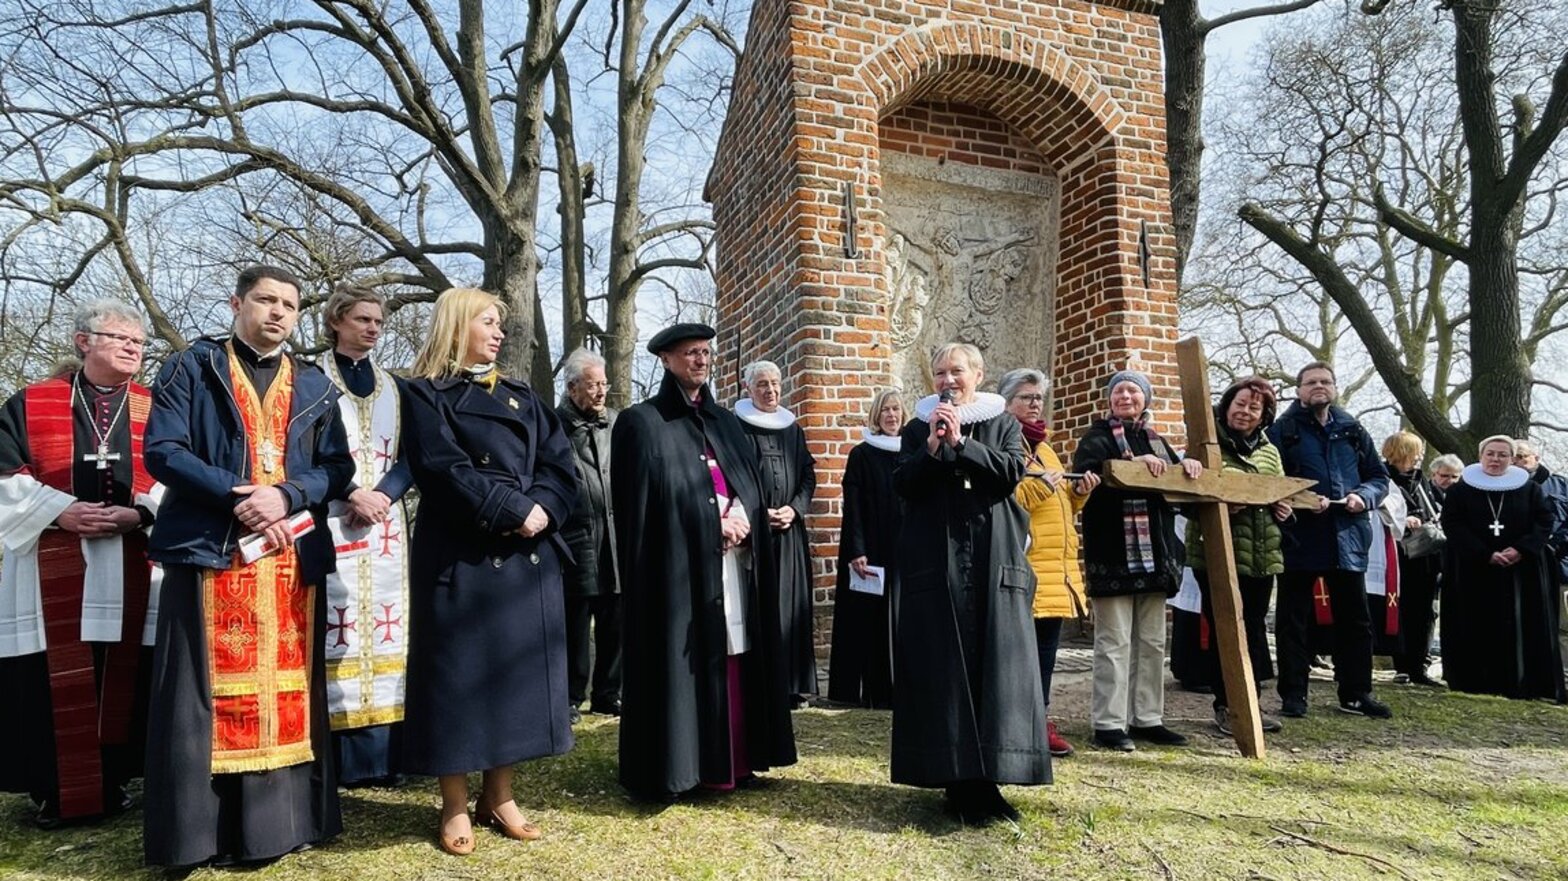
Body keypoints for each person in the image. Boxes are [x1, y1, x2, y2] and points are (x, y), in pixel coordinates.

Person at [142, 265, 354, 866]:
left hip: (289, 559)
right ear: (238, 303)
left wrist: (286, 496)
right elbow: (164, 451)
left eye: (289, 304)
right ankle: (201, 838)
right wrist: (242, 494)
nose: (279, 312)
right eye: (266, 300)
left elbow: (338, 468)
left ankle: (281, 828)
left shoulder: (314, 385)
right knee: (198, 698)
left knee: (291, 690)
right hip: (212, 551)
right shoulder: (192, 366)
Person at [399, 288, 578, 855]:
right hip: (463, 556)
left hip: (528, 555)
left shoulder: (525, 396)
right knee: (456, 682)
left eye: (500, 323)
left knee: (514, 683)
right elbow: (441, 467)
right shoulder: (425, 394)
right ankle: (453, 803)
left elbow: (559, 464)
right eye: (488, 321)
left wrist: (544, 506)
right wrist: (510, 510)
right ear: (457, 325)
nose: (499, 333)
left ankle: (498, 796)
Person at [612, 323, 796, 802]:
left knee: (736, 652)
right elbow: (640, 509)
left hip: (732, 565)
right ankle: (686, 767)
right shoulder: (643, 423)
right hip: (677, 575)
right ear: (667, 360)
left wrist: (741, 512)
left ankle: (736, 760)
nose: (701, 360)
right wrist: (708, 522)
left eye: (705, 353)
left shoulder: (726, 423)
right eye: (690, 353)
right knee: (685, 662)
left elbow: (750, 483)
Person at [0, 301, 160, 827]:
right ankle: (57, 791)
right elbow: (3, 475)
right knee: (53, 676)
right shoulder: (30, 403)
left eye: (138, 341)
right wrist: (61, 510)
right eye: (119, 338)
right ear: (82, 341)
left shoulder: (156, 407)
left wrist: (139, 513)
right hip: (50, 556)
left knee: (125, 668)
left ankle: (115, 781)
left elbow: (178, 474)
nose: (132, 348)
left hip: (133, 554)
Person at [892, 343, 1047, 824]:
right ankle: (954, 780)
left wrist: (963, 445)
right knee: (944, 668)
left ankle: (991, 782)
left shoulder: (1002, 423)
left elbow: (1008, 474)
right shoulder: (918, 427)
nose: (947, 380)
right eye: (939, 372)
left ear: (977, 374)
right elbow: (902, 484)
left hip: (989, 561)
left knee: (993, 667)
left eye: (956, 371)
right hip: (936, 564)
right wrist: (935, 449)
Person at [1073, 369, 1200, 751]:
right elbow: (1089, 479)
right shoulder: (1096, 438)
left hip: (1156, 557)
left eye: (1133, 391)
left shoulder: (1159, 441)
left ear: (1146, 399)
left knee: (1152, 640)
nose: (1125, 396)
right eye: (1118, 391)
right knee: (1112, 641)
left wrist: (1188, 468)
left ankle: (1147, 718)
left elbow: (1181, 490)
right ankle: (1109, 723)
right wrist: (1133, 462)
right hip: (1114, 554)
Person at [318, 286, 415, 786]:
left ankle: (386, 758)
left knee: (387, 626)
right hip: (332, 516)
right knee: (340, 628)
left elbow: (413, 454)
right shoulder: (311, 379)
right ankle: (339, 759)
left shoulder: (397, 387)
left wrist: (384, 495)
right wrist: (354, 492)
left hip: (387, 526)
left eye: (378, 321)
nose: (373, 328)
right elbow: (307, 452)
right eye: (362, 319)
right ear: (336, 321)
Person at [1266, 361, 1391, 720]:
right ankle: (1293, 694)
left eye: (1325, 381)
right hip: (1300, 538)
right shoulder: (1283, 431)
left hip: (1348, 539)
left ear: (1334, 388)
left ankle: (1355, 693)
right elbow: (1273, 480)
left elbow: (1378, 477)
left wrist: (1363, 496)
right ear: (1299, 391)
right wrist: (1305, 499)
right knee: (1294, 620)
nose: (1318, 387)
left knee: (1355, 621)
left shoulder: (1352, 430)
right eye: (1310, 382)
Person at [1002, 368, 1099, 759]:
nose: (1035, 404)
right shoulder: (1002, 445)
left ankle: (1040, 719)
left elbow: (1057, 509)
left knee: (1044, 653)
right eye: (1026, 397)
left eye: (1038, 398)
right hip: (1025, 568)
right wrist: (1043, 485)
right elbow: (1006, 504)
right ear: (1007, 403)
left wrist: (1078, 494)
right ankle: (1015, 722)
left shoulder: (1044, 448)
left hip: (1055, 572)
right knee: (1016, 655)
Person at [1183, 377, 1288, 736]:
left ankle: (1252, 702)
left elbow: (1280, 491)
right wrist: (1223, 508)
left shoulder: (1269, 451)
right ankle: (1227, 706)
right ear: (1227, 406)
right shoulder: (1206, 445)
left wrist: (1284, 508)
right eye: (1240, 404)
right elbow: (1186, 500)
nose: (1245, 412)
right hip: (1216, 552)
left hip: (1261, 554)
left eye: (1254, 408)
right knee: (1226, 628)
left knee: (1255, 629)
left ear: (1264, 415)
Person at [1438, 436, 1566, 702]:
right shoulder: (1460, 490)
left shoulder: (1530, 489)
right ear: (1481, 455)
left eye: (1503, 455)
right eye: (1491, 454)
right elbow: (1452, 524)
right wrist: (1486, 553)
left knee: (1521, 627)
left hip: (1522, 570)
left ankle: (1523, 683)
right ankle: (1474, 681)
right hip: (1473, 569)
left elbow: (1544, 520)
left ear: (1511, 458)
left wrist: (1521, 548)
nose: (1496, 459)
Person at [734, 360, 818, 707]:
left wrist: (795, 509)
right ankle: (763, 683)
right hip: (755, 535)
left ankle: (793, 685)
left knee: (792, 606)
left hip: (789, 533)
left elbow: (807, 476)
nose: (771, 391)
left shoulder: (792, 428)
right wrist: (756, 512)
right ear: (748, 389)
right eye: (763, 385)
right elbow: (732, 474)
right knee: (761, 606)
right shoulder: (736, 427)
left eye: (775, 384)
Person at [827, 389, 905, 708]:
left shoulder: (911, 453)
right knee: (866, 623)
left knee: (899, 622)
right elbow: (854, 506)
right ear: (876, 415)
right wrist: (857, 549)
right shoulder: (862, 454)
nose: (891, 415)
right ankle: (860, 693)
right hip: (869, 550)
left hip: (902, 548)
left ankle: (895, 692)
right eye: (885, 410)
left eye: (896, 410)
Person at [556, 348, 621, 723]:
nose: (600, 392)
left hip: (615, 534)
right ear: (572, 387)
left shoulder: (615, 422)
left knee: (615, 618)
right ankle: (569, 696)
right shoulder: (555, 425)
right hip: (576, 536)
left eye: (604, 384)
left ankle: (608, 693)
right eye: (593, 384)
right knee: (575, 623)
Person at [1383, 431, 1442, 686]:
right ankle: (1402, 665)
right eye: (1415, 451)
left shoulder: (1422, 481)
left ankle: (1419, 665)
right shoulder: (1383, 477)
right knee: (1400, 608)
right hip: (1397, 553)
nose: (1419, 457)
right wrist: (1402, 519)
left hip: (1424, 554)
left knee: (1424, 611)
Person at [1512, 440, 1568, 585]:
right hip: (1514, 566)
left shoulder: (1561, 486)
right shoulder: (1497, 489)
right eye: (1511, 457)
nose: (1515, 461)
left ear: (1536, 457)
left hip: (1558, 561)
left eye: (1521, 456)